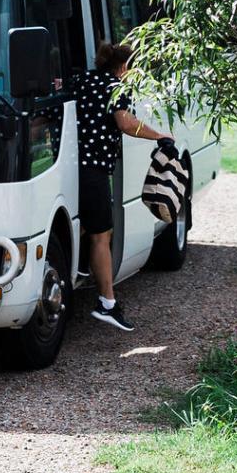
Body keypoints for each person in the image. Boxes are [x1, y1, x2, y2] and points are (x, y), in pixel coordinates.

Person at [69, 41, 173, 333]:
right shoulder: (116, 87)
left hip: (70, 165)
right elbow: (126, 123)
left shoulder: (84, 80)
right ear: (125, 67)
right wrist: (160, 135)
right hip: (94, 169)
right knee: (103, 235)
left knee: (86, 223)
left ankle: (77, 266)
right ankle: (107, 303)